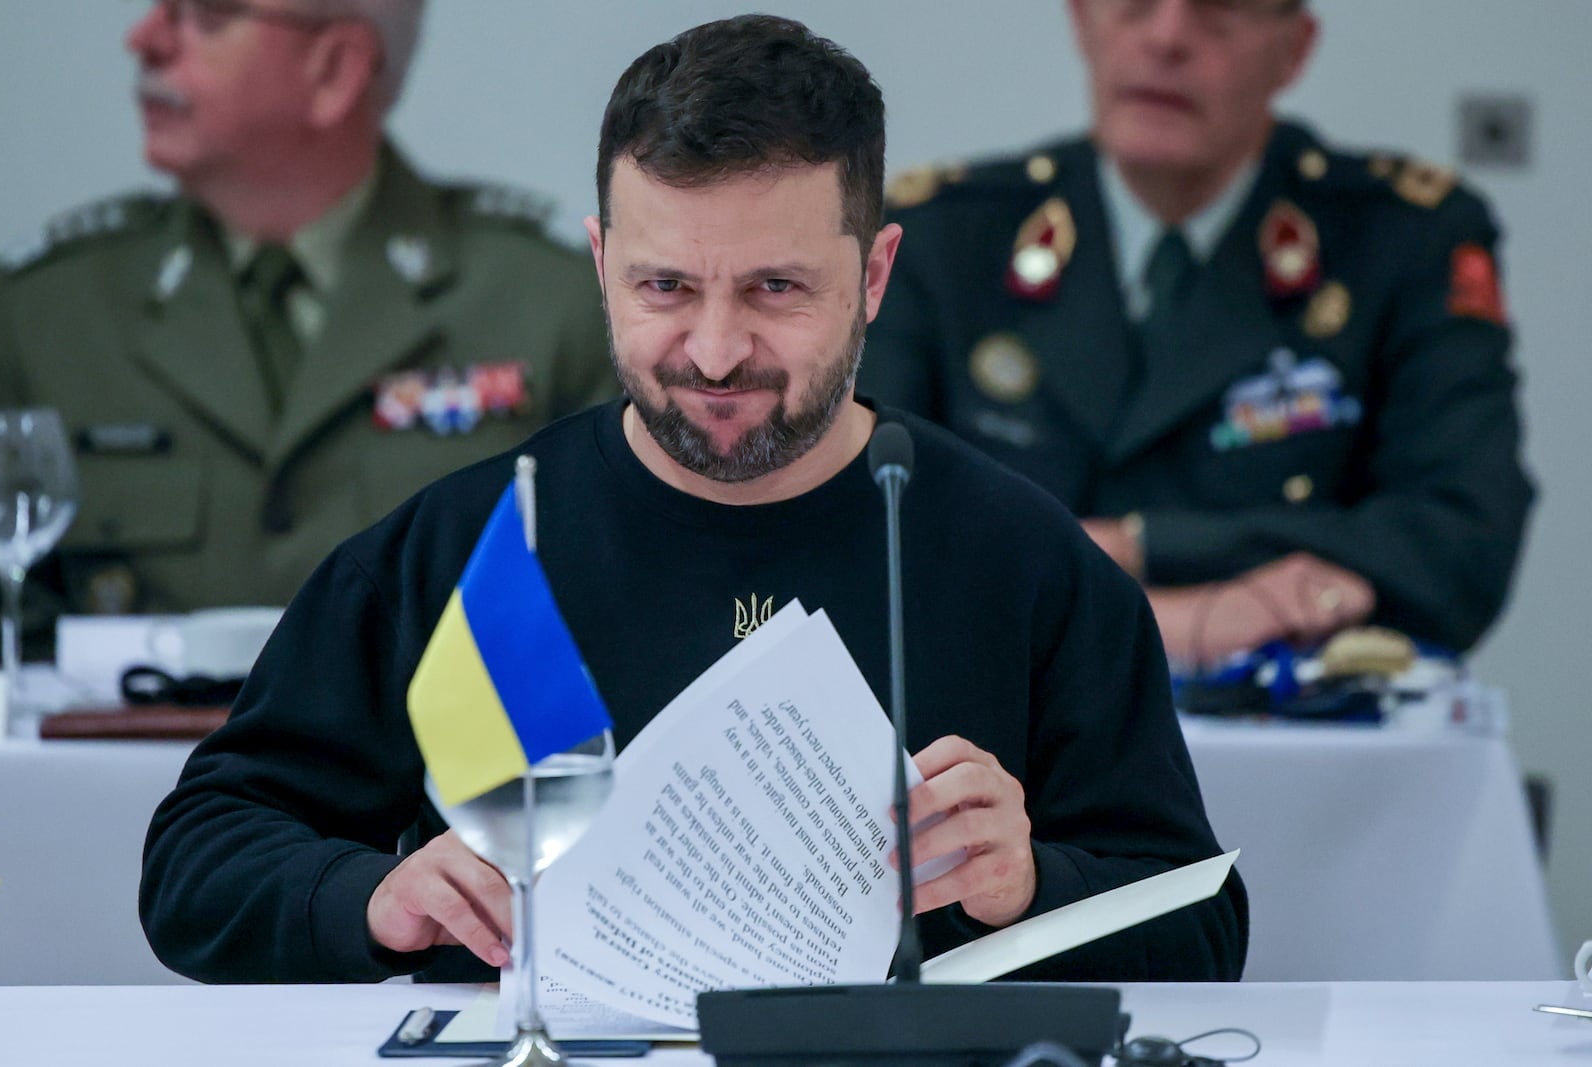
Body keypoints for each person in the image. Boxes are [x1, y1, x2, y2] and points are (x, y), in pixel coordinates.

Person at [141, 15, 1245, 986]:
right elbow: (198, 855)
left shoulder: (1024, 559)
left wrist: (1032, 883)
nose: (715, 353)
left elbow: (1204, 921)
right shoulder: (473, 541)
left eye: (777, 288)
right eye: (664, 286)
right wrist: (369, 898)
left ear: (873, 275)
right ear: (601, 260)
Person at [861, 0, 1533, 665]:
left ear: (1293, 48)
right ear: (1080, 20)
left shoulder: (1403, 238)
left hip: (1298, 750)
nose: (1168, 36)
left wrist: (1140, 544)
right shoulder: (947, 237)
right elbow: (868, 532)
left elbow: (1463, 541)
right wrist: (1184, 624)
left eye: (1220, 7)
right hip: (1003, 740)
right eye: (1135, 3)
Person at [0, 0, 614, 621]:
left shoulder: (560, 304)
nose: (144, 38)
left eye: (206, 15)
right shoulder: (38, 311)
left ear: (335, 68)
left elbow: (617, 608)